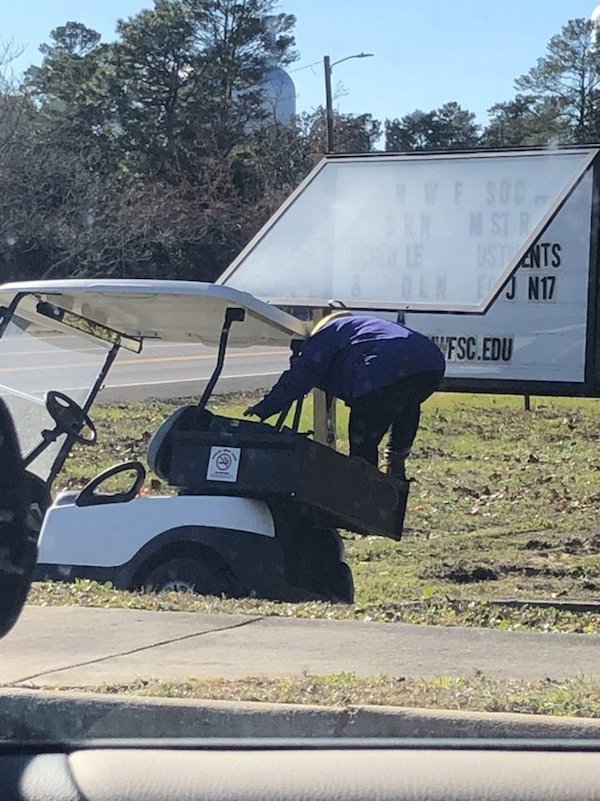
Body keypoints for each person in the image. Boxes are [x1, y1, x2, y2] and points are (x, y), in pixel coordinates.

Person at [244, 311, 445, 479]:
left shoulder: (324, 337)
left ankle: (365, 498)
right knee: (406, 404)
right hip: (430, 363)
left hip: (382, 368)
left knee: (363, 438)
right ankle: (395, 466)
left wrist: (265, 408)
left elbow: (300, 375)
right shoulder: (356, 329)